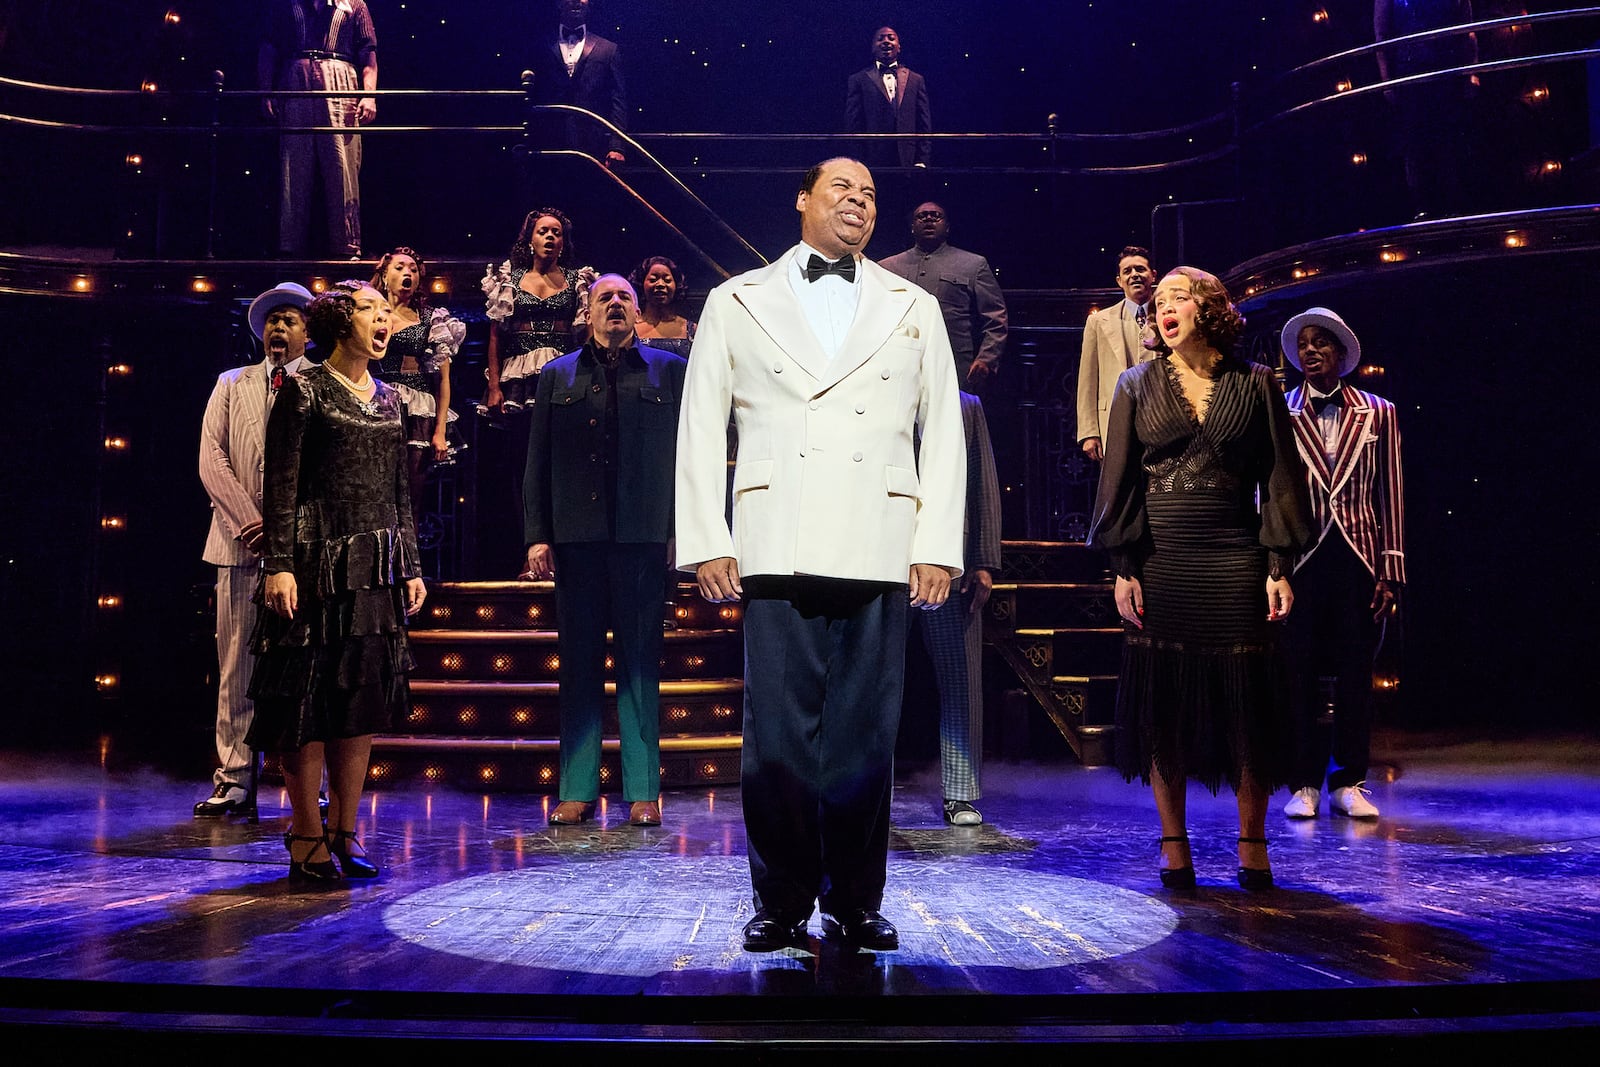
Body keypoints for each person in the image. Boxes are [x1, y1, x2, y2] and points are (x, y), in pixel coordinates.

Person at [675, 157, 966, 951]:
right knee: (777, 737)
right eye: (843, 188)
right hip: (777, 539)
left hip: (879, 538)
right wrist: (706, 540)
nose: (860, 201)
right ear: (802, 199)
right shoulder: (736, 299)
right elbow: (701, 428)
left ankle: (854, 897)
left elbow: (942, 432)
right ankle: (780, 897)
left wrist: (937, 542)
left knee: (866, 736)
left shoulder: (913, 304)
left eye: (871, 194)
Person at [1088, 267, 1313, 893]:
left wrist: (1278, 566)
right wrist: (1124, 568)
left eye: (1177, 298)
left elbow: (1281, 480)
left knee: (1247, 708)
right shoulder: (1135, 384)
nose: (1164, 309)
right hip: (1163, 560)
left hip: (1238, 558)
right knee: (1164, 710)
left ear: (1208, 308)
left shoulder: (1258, 383)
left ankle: (1251, 844)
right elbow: (1121, 482)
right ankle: (1173, 845)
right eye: (1158, 302)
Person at [248, 280, 427, 884]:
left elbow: (401, 490)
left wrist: (411, 565)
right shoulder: (303, 389)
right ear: (340, 320)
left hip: (373, 570)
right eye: (372, 311)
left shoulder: (391, 399)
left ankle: (346, 830)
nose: (384, 321)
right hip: (311, 565)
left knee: (359, 701)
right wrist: (278, 563)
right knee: (305, 700)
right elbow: (281, 484)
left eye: (386, 314)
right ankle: (304, 833)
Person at [522, 274, 687, 827]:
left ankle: (643, 789)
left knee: (641, 662)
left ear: (638, 314)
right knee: (579, 663)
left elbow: (688, 458)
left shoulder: (668, 371)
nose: (614, 305)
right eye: (604, 299)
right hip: (577, 537)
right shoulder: (556, 375)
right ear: (587, 313)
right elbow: (537, 462)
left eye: (624, 298)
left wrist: (679, 529)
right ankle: (576, 787)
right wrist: (537, 534)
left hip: (642, 536)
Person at [1278, 308, 1406, 821]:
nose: (1309, 351)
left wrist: (1391, 567)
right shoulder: (1282, 410)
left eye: (1320, 343)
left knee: (1356, 671)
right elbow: (1271, 491)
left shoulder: (1378, 412)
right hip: (1302, 555)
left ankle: (1349, 781)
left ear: (1340, 352)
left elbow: (1390, 491)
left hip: (1358, 553)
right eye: (1303, 344)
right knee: (1298, 672)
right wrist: (1273, 566)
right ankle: (1303, 782)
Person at [194, 282, 315, 818]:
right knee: (236, 668)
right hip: (238, 546)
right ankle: (234, 780)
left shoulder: (325, 385)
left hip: (306, 553)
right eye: (271, 320)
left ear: (309, 332)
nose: (278, 329)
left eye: (289, 320)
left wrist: (289, 534)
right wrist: (250, 524)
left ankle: (308, 787)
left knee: (305, 668)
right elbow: (211, 459)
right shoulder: (230, 383)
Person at [477, 208, 595, 573]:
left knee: (565, 466)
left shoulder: (578, 280)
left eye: (556, 232)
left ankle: (564, 553)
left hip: (566, 381)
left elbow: (586, 336)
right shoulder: (508, 279)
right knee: (525, 467)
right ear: (529, 238)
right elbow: (496, 336)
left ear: (563, 241)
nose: (549, 237)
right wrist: (494, 386)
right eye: (543, 231)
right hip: (520, 385)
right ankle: (530, 552)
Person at [909, 390, 1002, 825]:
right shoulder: (872, 389)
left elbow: (981, 482)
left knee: (959, 676)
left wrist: (983, 559)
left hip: (951, 560)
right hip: (881, 560)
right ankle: (864, 789)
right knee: (870, 680)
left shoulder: (964, 405)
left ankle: (960, 792)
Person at [258, 0, 378, 258]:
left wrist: (369, 95)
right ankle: (289, 248)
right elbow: (269, 47)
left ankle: (348, 247)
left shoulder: (354, 4)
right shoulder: (286, 4)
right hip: (296, 77)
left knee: (342, 165)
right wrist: (266, 90)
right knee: (293, 165)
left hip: (340, 78)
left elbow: (367, 52)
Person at [369, 246, 466, 519]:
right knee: (376, 490)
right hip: (377, 402)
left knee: (411, 498)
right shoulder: (370, 315)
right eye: (400, 267)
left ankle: (407, 559)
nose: (407, 273)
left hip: (417, 410)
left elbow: (443, 380)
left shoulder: (430, 319)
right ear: (385, 275)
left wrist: (439, 431)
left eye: (412, 269)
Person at [878, 201, 1008, 398]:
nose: (929, 219)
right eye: (922, 216)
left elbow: (996, 318)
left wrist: (986, 359)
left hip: (955, 365)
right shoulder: (887, 268)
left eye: (936, 216)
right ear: (912, 227)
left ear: (947, 226)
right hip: (898, 363)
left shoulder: (973, 264)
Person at [1078, 246, 1157, 463]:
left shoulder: (1167, 316)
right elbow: (1087, 379)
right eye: (1127, 271)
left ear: (1153, 275)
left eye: (1140, 269)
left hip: (1159, 417)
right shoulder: (1099, 322)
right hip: (1114, 420)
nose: (1134, 275)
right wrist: (1089, 432)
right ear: (1119, 280)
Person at [528, 0, 627, 168]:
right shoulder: (541, 46)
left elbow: (618, 100)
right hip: (547, 144)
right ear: (558, 4)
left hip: (593, 145)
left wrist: (617, 146)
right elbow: (530, 95)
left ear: (590, 4)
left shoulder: (608, 49)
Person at [845, 27, 931, 171]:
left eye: (891, 38)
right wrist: (858, 162)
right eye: (880, 38)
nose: (886, 41)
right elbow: (853, 123)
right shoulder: (858, 79)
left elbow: (924, 123)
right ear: (873, 47)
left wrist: (922, 160)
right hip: (873, 162)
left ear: (899, 47)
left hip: (908, 161)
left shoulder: (916, 79)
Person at [629, 255, 697, 358]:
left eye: (667, 280)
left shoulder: (692, 330)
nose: (660, 284)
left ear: (677, 285)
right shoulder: (629, 328)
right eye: (653, 280)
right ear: (641, 284)